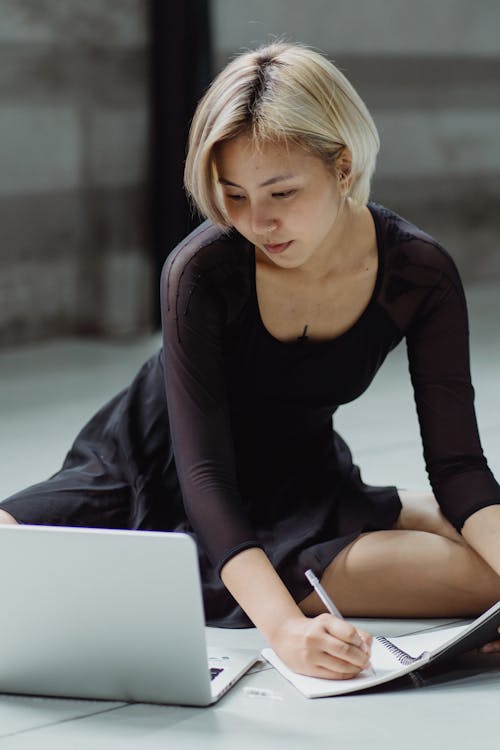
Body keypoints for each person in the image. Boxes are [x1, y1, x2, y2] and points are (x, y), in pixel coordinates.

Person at [2, 42, 500, 680]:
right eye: (232, 195)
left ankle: (379, 510)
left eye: (281, 192)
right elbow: (204, 474)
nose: (255, 221)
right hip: (154, 468)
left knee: (494, 574)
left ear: (342, 167)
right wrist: (287, 630)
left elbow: (459, 463)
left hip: (303, 482)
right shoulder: (202, 270)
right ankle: (362, 529)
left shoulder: (418, 272)